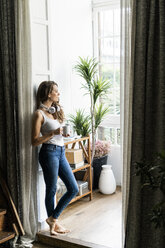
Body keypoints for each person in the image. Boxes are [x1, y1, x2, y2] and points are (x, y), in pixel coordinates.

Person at [32, 81, 79, 235]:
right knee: (51, 189)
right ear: (48, 94)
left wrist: (64, 134)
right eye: (56, 91)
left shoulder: (55, 110)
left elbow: (59, 132)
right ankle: (55, 224)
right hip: (48, 152)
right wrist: (53, 133)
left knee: (73, 188)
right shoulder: (39, 114)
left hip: (61, 151)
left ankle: (53, 218)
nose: (59, 94)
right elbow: (34, 141)